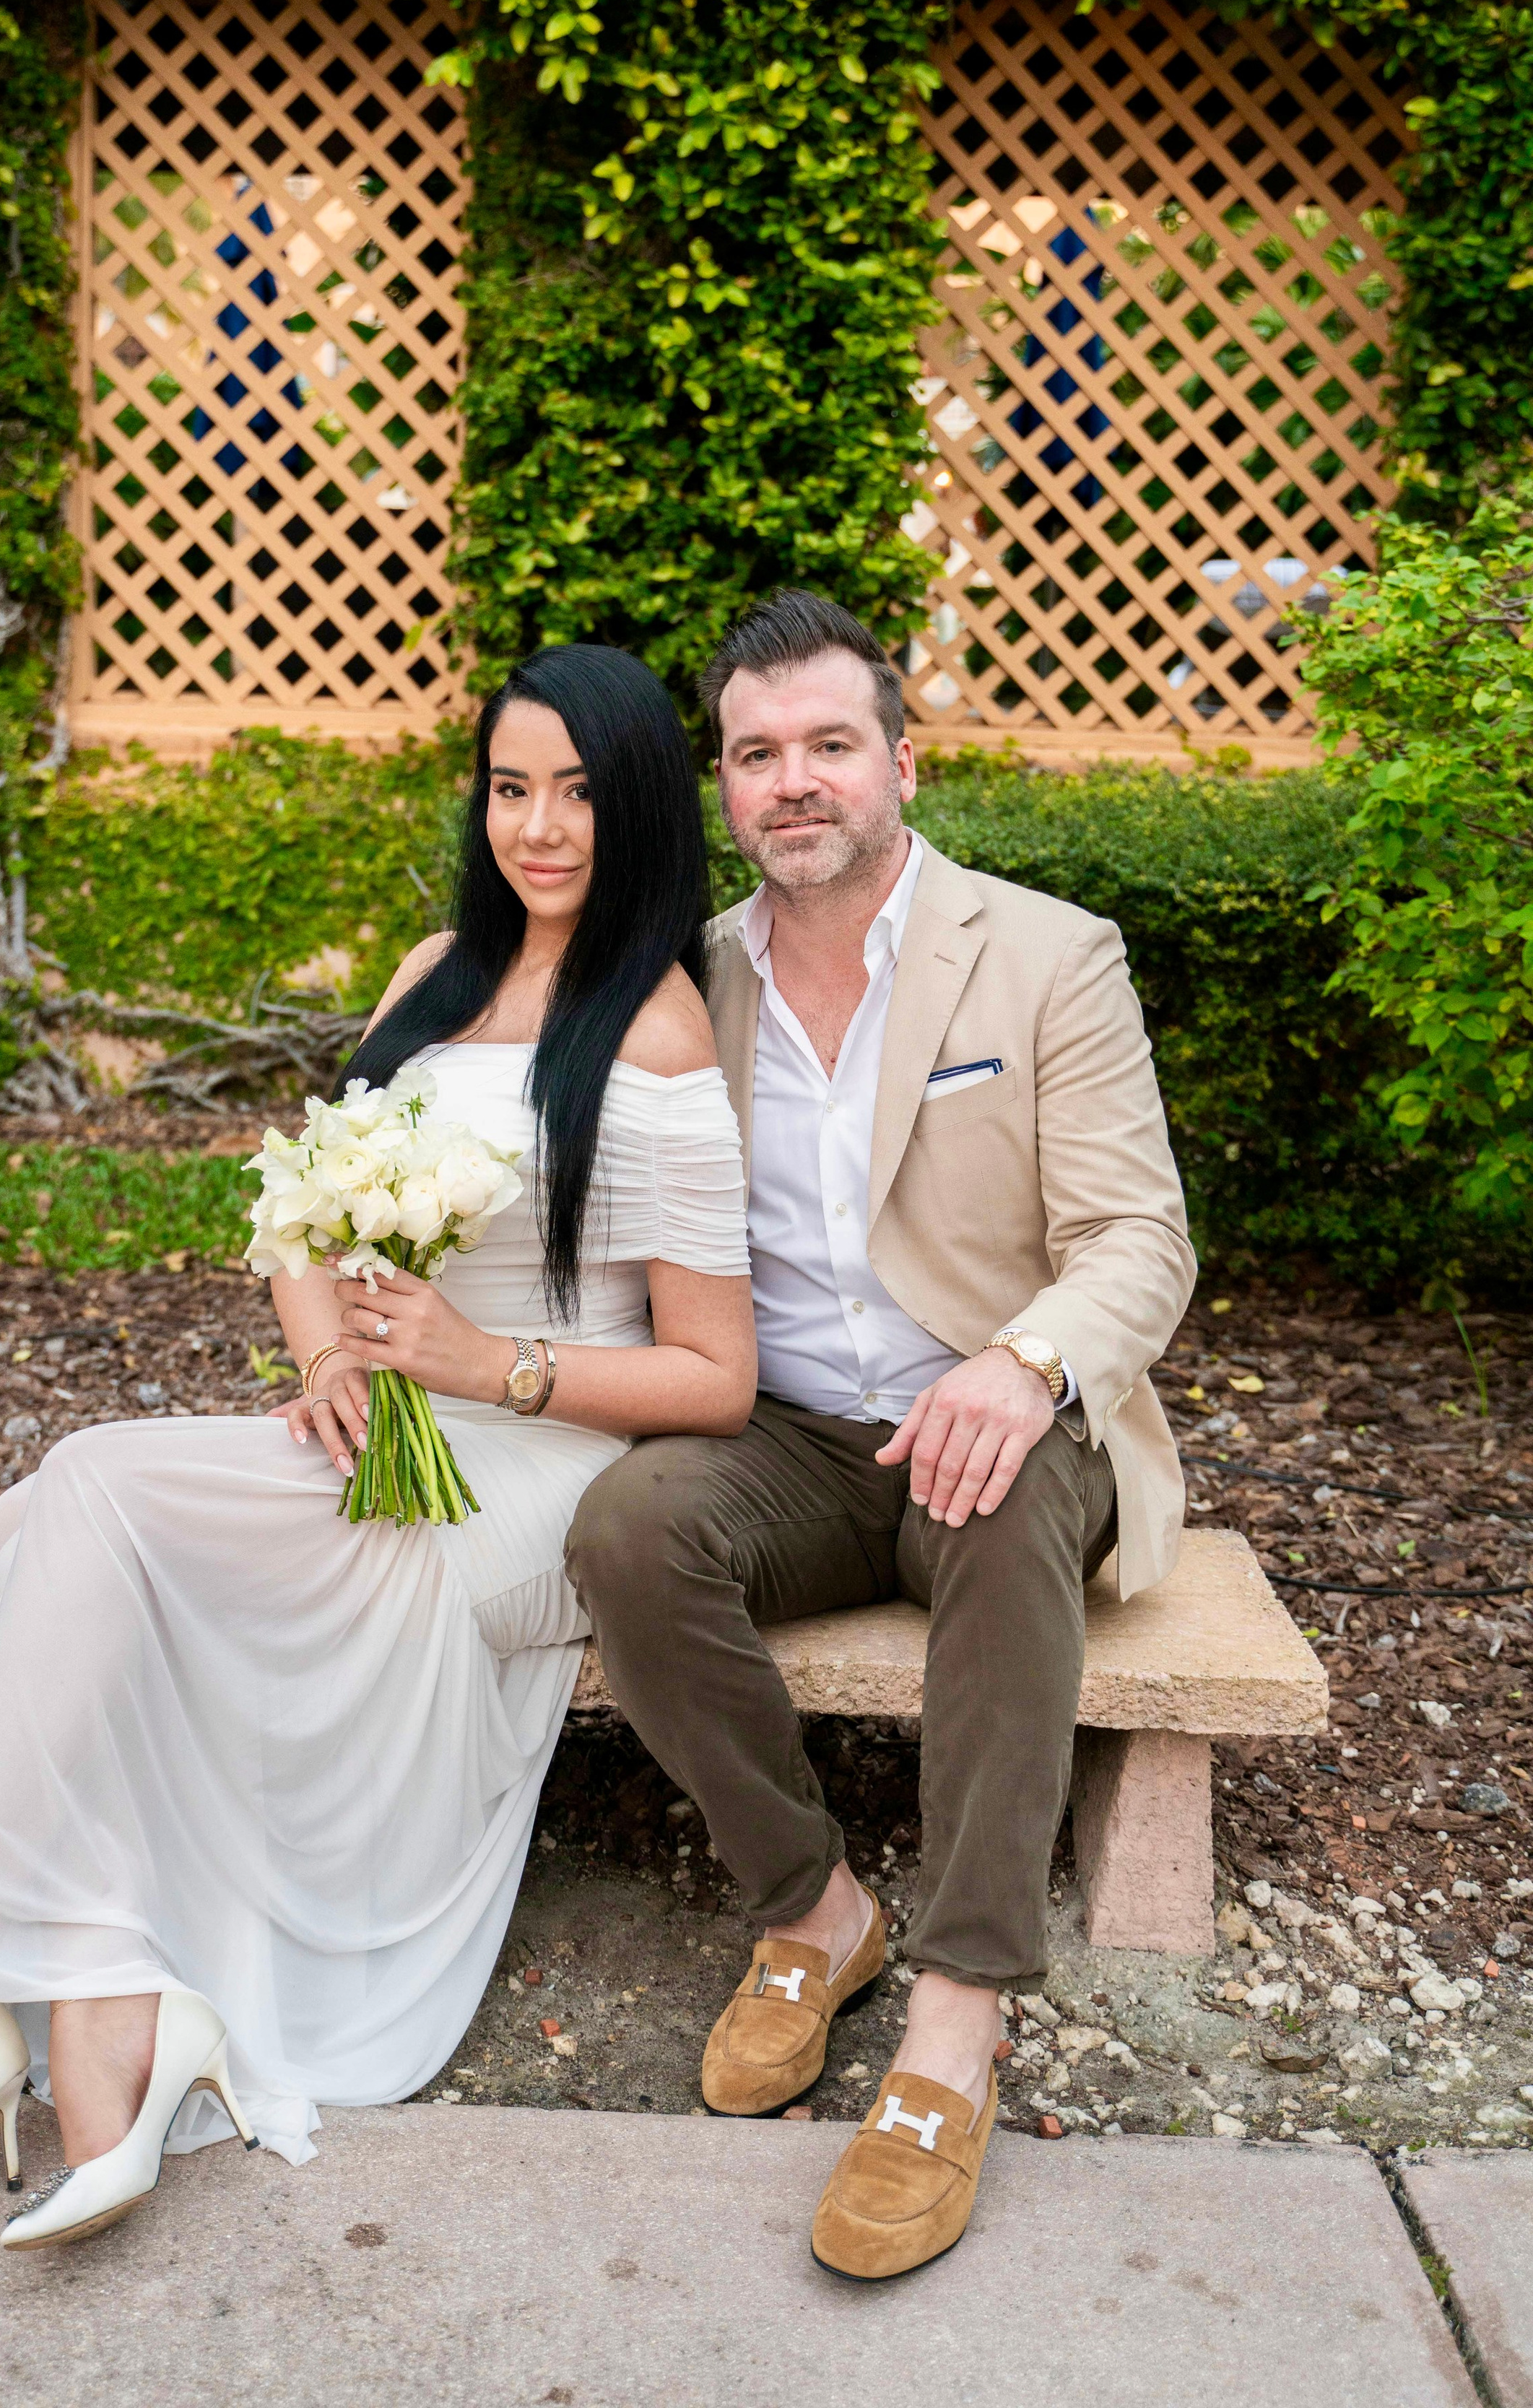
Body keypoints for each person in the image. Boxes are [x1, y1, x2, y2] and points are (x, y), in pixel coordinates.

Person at [0, 644, 755, 2249]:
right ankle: (103, 1998)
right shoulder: (431, 970)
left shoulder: (661, 1030)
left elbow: (715, 1376)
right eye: (507, 786)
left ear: (638, 811)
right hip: (381, 1424)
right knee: (68, 1496)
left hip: (531, 1464)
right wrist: (331, 1349)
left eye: (577, 794)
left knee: (82, 1511)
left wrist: (494, 1363)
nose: (538, 827)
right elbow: (300, 1203)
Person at [566, 589, 1195, 2281]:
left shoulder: (1045, 952)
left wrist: (1024, 1362)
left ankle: (955, 2015)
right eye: (755, 753)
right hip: (783, 1428)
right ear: (722, 783)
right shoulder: (688, 973)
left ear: (898, 758)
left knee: (1002, 1520)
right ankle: (808, 1910)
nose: (793, 781)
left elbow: (1140, 1237)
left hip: (991, 1410)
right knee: (627, 1532)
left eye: (827, 744)